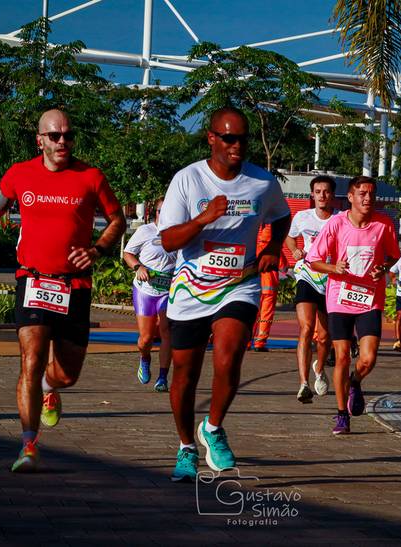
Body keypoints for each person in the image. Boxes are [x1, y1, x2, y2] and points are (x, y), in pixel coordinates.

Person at [0, 109, 126, 472]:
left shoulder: (91, 176)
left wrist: (98, 249)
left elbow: (117, 219)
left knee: (67, 374)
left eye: (68, 136)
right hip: (33, 280)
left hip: (75, 285)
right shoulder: (18, 174)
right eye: (55, 136)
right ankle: (28, 445)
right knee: (30, 358)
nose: (62, 142)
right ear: (39, 139)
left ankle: (48, 386)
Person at [158, 107, 291, 482]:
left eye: (243, 139)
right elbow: (168, 240)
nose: (237, 146)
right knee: (184, 374)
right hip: (190, 287)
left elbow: (281, 216)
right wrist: (203, 219)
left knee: (229, 356)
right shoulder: (187, 180)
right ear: (211, 138)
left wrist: (272, 248)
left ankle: (213, 428)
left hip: (239, 283)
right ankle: (186, 446)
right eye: (229, 138)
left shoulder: (262, 182)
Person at [306, 176, 400, 435]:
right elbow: (313, 260)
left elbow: (393, 256)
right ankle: (341, 415)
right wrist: (334, 267)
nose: (367, 198)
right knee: (344, 356)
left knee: (368, 358)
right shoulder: (336, 224)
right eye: (362, 193)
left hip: (370, 298)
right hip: (340, 297)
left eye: (371, 193)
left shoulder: (384, 224)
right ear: (350, 197)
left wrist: (383, 268)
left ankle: (354, 382)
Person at [284, 175, 337, 403]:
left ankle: (320, 369)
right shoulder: (302, 217)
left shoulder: (340, 219)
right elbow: (289, 237)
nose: (322, 195)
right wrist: (295, 250)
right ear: (312, 195)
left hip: (330, 278)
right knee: (306, 328)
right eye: (318, 191)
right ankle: (304, 383)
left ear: (332, 195)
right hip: (307, 274)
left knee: (324, 337)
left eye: (326, 191)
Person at [123, 198, 176, 392]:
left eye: (170, 210)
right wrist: (138, 267)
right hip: (145, 290)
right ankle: (145, 358)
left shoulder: (179, 233)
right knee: (146, 339)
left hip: (168, 292)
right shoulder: (145, 231)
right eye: (162, 211)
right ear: (155, 212)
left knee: (166, 333)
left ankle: (162, 377)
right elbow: (127, 254)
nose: (166, 215)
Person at [251, 223, 288, 352]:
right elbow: (284, 268)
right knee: (266, 314)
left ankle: (245, 341)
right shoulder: (274, 248)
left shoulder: (253, 247)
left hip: (254, 286)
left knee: (252, 314)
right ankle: (260, 342)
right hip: (269, 286)